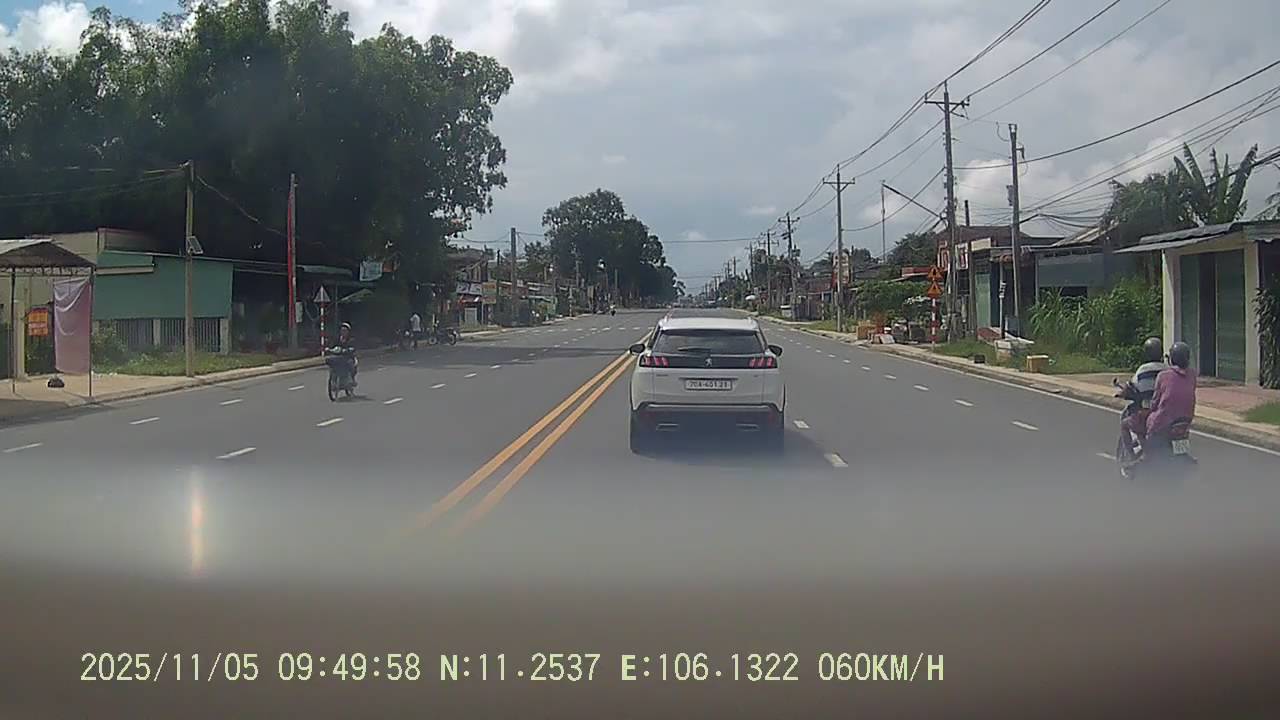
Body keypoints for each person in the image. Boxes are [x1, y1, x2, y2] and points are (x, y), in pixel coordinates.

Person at [1120, 337, 1167, 459]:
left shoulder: (1142, 370)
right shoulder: (1167, 369)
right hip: (1164, 412)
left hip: (1147, 412)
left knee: (1125, 423)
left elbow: (1133, 386)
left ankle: (1131, 455)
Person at [1146, 340, 1197, 442]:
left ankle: (1150, 450)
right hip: (1186, 419)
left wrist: (1151, 408)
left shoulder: (1163, 375)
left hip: (1165, 419)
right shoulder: (1192, 375)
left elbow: (1156, 400)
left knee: (1149, 428)